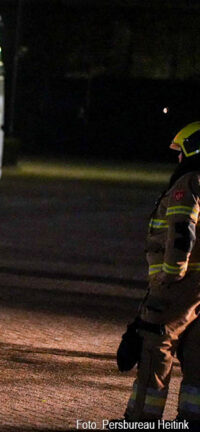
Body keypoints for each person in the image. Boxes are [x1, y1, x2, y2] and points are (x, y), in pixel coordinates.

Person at [117, 121, 200, 425]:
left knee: (155, 343)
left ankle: (141, 419)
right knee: (196, 352)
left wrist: (170, 275)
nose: (178, 159)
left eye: (181, 152)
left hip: (182, 282)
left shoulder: (190, 181)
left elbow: (182, 230)